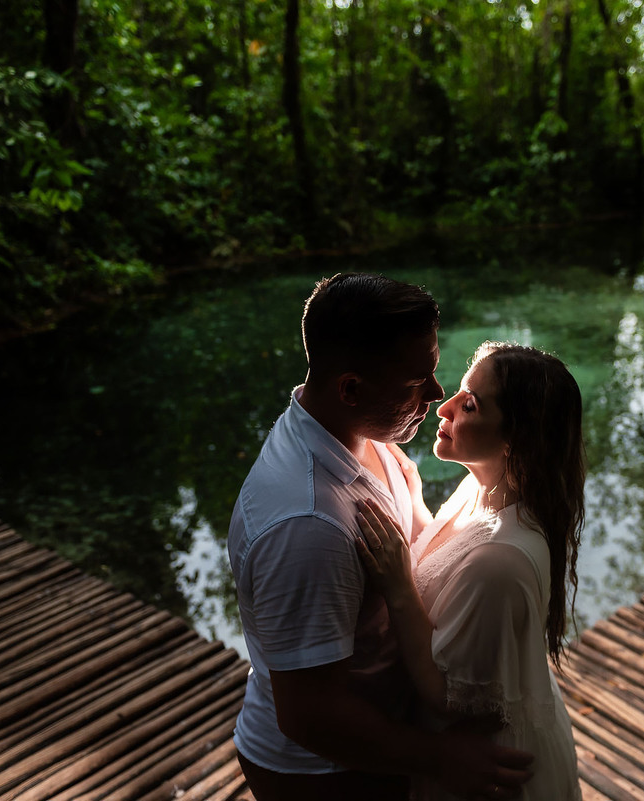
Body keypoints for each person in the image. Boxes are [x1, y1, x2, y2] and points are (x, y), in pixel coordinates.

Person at [226, 274, 534, 801]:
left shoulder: (357, 433)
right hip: (326, 775)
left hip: (386, 738)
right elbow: (309, 716)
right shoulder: (307, 526)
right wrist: (440, 756)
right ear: (350, 388)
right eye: (418, 381)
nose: (439, 396)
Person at [355, 341, 585, 801]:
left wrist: (399, 587)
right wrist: (408, 494)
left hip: (485, 769)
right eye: (460, 392)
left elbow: (446, 694)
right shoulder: (484, 488)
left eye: (471, 404)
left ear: (515, 437)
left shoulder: (499, 565)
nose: (446, 407)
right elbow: (446, 552)